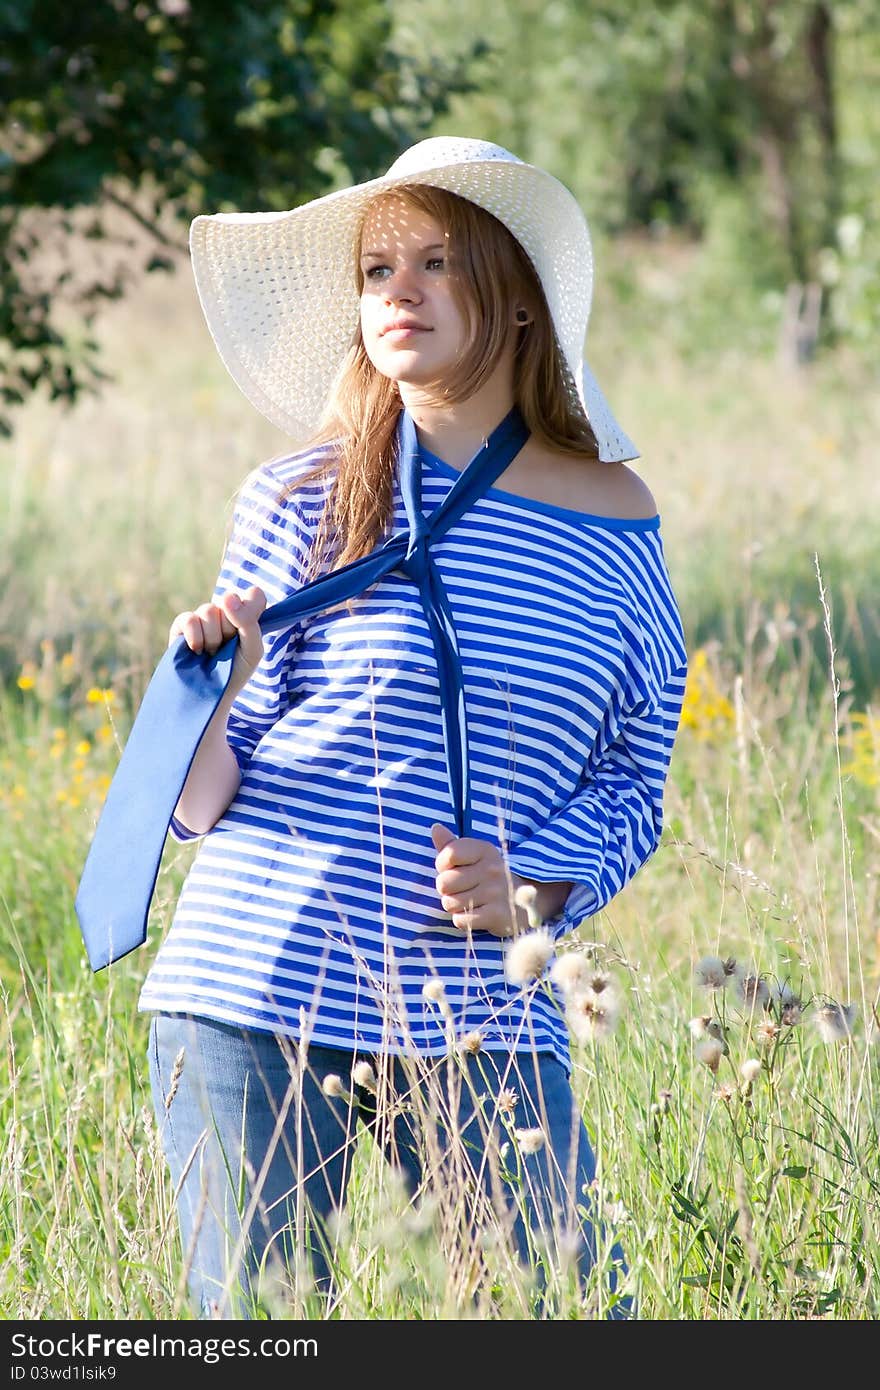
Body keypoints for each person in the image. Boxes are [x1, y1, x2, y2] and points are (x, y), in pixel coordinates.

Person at [137, 137, 688, 1320]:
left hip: (486, 1000)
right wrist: (208, 692)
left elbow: (637, 773)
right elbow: (199, 805)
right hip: (255, 985)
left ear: (522, 303)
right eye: (378, 267)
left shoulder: (615, 515)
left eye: (436, 261)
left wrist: (537, 881)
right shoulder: (301, 493)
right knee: (264, 1333)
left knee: (569, 1314)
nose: (399, 288)